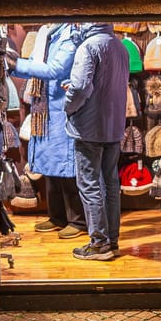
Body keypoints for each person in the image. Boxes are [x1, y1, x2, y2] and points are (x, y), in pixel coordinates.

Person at [12, 24, 88, 241]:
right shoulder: (48, 32)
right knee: (50, 165)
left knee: (67, 165)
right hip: (46, 106)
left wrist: (15, 64)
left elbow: (55, 69)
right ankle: (57, 217)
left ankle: (78, 220)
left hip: (62, 106)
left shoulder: (71, 35)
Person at [63, 23, 129, 262]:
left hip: (89, 127)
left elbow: (80, 87)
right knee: (110, 184)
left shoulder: (88, 46)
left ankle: (99, 243)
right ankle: (112, 241)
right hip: (113, 125)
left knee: (90, 183)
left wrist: (68, 107)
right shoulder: (120, 47)